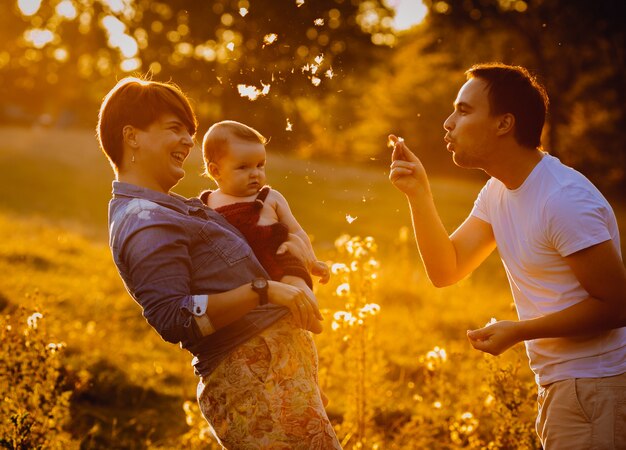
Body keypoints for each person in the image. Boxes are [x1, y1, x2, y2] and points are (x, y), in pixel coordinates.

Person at [389, 62, 626, 449]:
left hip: (595, 387)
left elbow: (617, 306)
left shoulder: (563, 199)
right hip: (564, 386)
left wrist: (519, 331)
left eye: (464, 111)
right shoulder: (498, 191)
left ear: (504, 124)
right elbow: (446, 269)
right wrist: (419, 194)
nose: (448, 123)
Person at [97, 77, 342, 449]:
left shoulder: (180, 207)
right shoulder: (144, 219)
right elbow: (174, 316)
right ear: (132, 137)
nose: (188, 140)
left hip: (278, 380)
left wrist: (294, 252)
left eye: (189, 131)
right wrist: (262, 292)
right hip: (255, 385)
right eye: (174, 128)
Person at [199, 120, 330, 335]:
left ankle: (311, 317)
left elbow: (296, 231)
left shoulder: (270, 197)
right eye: (243, 167)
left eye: (260, 165)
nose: (255, 173)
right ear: (216, 171)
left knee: (297, 285)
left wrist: (312, 261)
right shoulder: (208, 203)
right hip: (239, 274)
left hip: (280, 259)